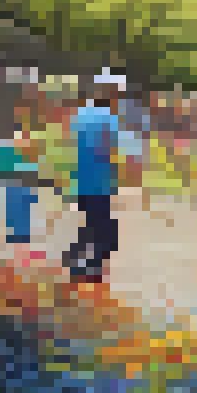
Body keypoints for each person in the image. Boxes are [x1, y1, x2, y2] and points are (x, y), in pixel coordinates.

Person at [62, 80, 135, 283]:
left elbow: (75, 145)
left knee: (91, 224)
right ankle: (89, 269)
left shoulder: (81, 116)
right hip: (99, 184)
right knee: (103, 230)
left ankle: (77, 261)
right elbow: (116, 150)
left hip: (82, 182)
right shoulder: (109, 120)